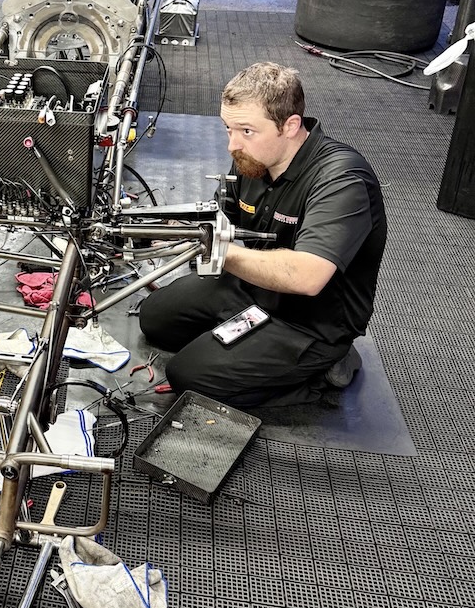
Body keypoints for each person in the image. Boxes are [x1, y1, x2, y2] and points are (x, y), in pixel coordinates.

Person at [139, 62, 387, 408]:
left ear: (290, 126)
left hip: (312, 321)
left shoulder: (341, 180)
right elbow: (220, 220)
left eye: (246, 131)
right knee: (155, 317)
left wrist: (214, 248)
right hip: (256, 288)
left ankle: (323, 371)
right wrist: (166, 229)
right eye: (228, 129)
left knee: (188, 376)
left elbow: (307, 277)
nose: (232, 145)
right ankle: (244, 339)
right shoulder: (253, 159)